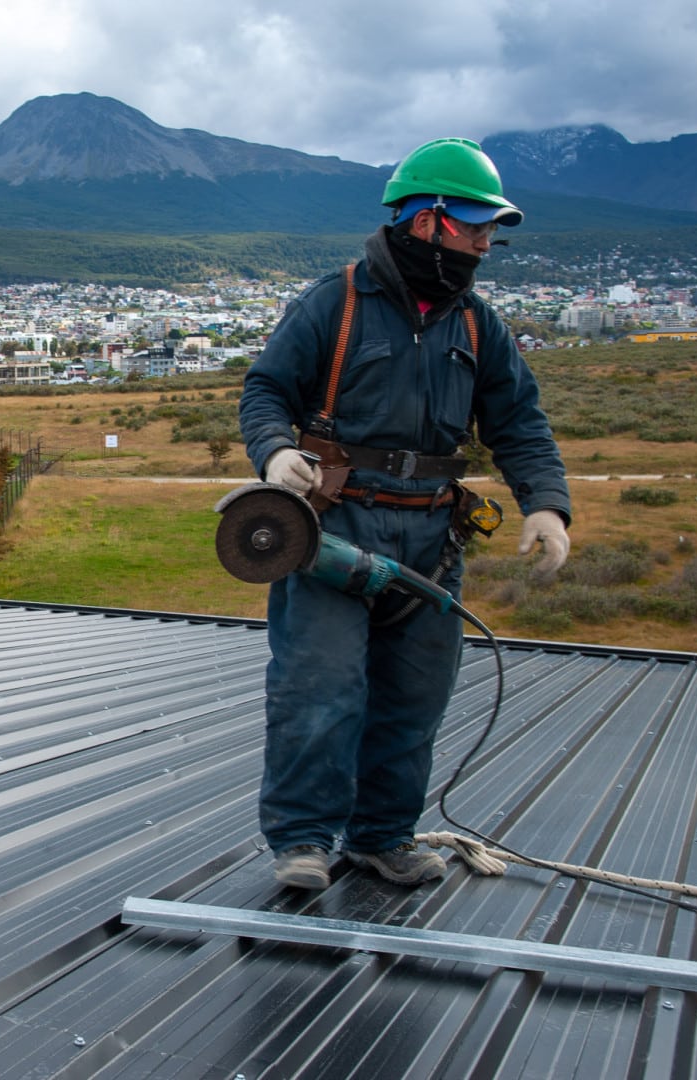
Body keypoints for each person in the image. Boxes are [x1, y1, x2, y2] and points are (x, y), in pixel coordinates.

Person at [237, 137, 572, 890]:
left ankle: (382, 836)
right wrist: (273, 452)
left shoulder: (477, 324)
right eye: (475, 227)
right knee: (317, 688)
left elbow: (519, 423)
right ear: (426, 220)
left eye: (489, 231)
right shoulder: (334, 303)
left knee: (413, 696)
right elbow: (265, 390)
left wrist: (547, 506)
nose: (484, 244)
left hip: (432, 539)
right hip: (332, 529)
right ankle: (302, 838)